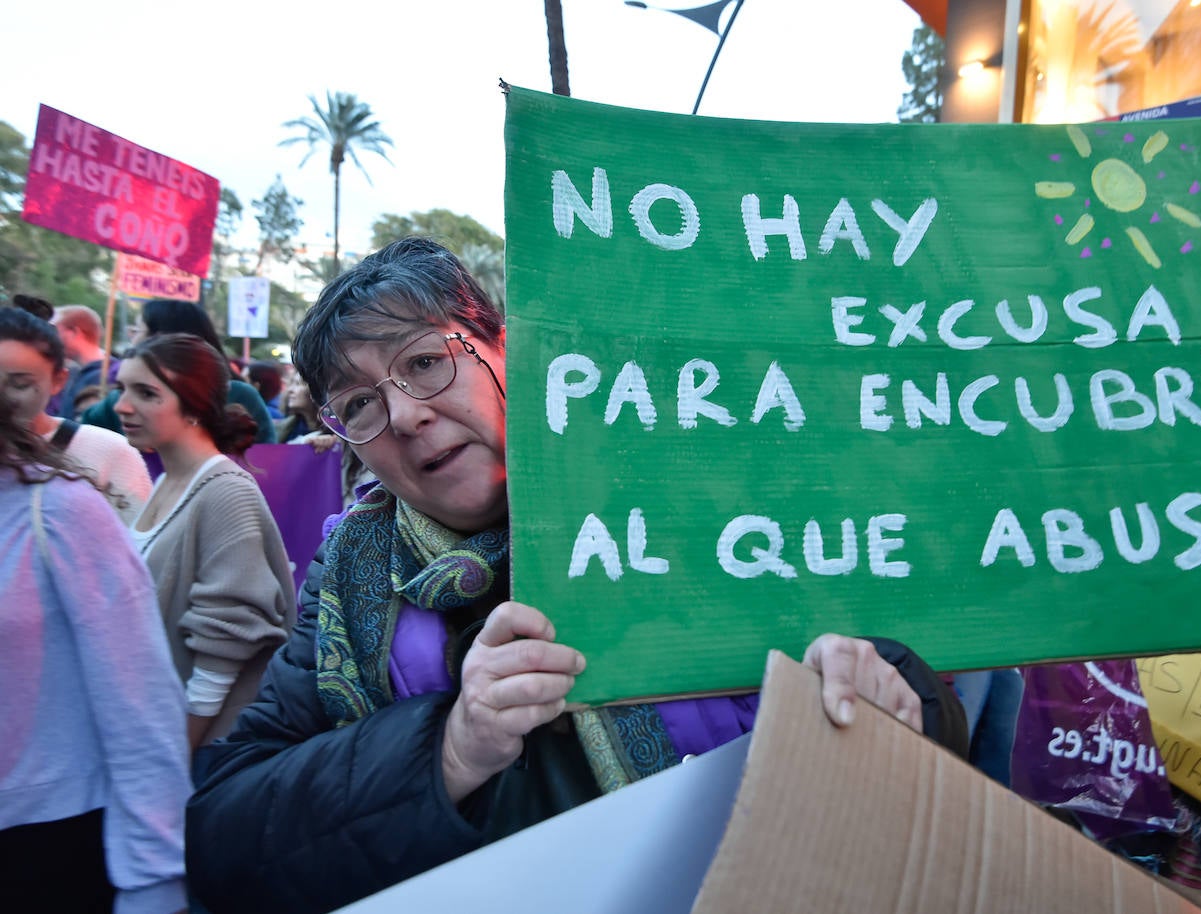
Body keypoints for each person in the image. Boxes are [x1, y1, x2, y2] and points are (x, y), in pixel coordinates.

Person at [186, 238, 967, 913]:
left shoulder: (703, 499)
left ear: (506, 347)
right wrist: (450, 750)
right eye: (358, 406)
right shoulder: (349, 577)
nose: (406, 415)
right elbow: (224, 835)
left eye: (424, 362)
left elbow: (902, 684)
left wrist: (895, 700)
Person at [0, 395, 190, 914]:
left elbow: (140, 700)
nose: (124, 405)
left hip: (45, 840)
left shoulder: (60, 505)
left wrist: (155, 878)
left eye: (147, 392)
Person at [115, 332, 296, 748]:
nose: (124, 405)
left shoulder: (224, 490)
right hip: (156, 726)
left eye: (146, 392)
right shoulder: (164, 479)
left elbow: (226, 642)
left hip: (203, 745)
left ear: (194, 405)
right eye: (121, 388)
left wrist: (181, 750)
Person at [0, 306, 152, 524]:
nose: (2, 397)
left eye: (20, 384)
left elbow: (137, 547)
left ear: (58, 381)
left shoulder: (108, 453)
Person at [84, 298, 276, 443]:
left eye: (147, 394)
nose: (123, 407)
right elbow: (82, 438)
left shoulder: (239, 395)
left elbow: (267, 462)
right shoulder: (117, 401)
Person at [52, 304, 114, 418]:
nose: (49, 336)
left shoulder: (108, 376)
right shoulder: (73, 372)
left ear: (74, 332)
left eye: (54, 329)